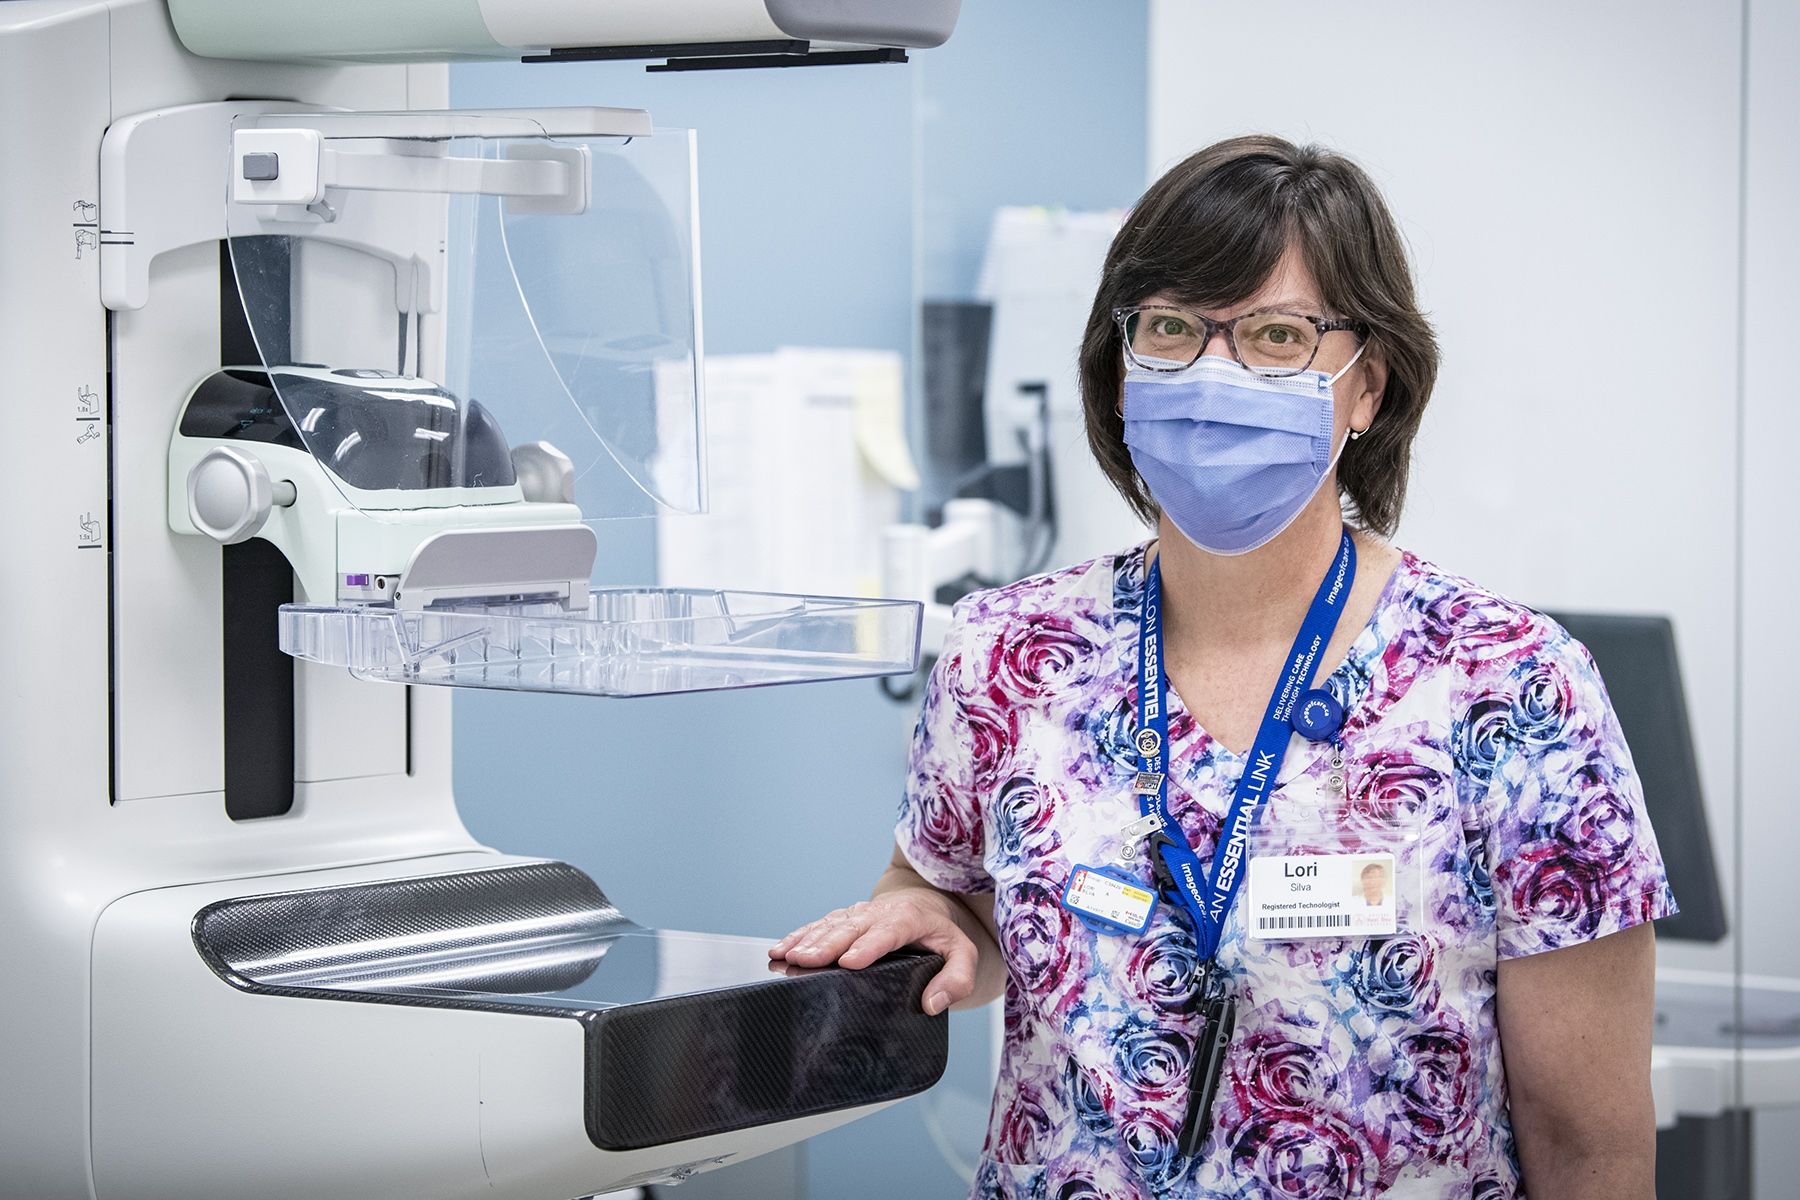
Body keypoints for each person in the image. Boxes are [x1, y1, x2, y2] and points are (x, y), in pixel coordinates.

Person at [770, 135, 1673, 1200]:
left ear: (1367, 386)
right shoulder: (1006, 654)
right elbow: (948, 889)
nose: (1213, 374)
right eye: (1170, 329)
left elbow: (1589, 1145)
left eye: (1278, 337)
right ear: (1118, 369)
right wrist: (929, 921)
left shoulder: (1512, 687)